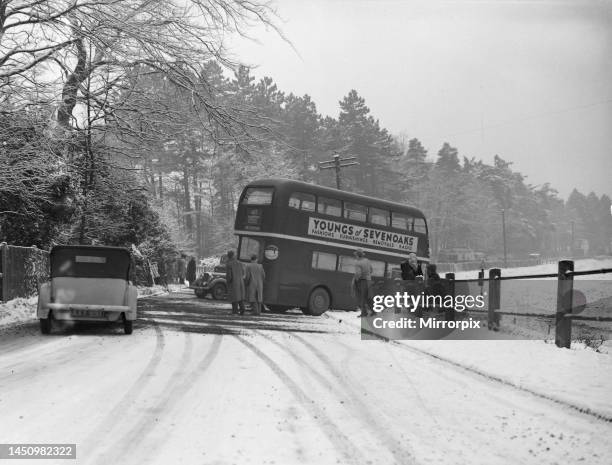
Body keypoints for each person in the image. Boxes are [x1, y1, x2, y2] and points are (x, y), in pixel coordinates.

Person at [352, 249, 373, 317]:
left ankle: (364, 313)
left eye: (356, 255)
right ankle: (373, 311)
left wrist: (356, 280)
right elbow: (371, 270)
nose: (355, 256)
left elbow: (358, 273)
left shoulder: (358, 263)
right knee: (368, 297)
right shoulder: (367, 260)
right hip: (369, 281)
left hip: (362, 281)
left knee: (361, 298)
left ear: (358, 255)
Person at [226, 250, 246, 315]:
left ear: (228, 256)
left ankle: (235, 311)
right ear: (234, 255)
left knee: (234, 297)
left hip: (233, 282)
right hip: (241, 282)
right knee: (240, 297)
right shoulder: (240, 263)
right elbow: (244, 273)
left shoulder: (229, 264)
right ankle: (242, 310)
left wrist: (228, 282)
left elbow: (229, 275)